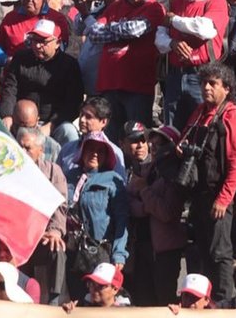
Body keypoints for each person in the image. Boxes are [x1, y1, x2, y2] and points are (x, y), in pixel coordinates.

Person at [180, 61, 236, 307]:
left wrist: (224, 198)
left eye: (213, 84)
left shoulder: (232, 116)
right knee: (200, 252)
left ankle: (222, 304)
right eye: (203, 83)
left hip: (218, 197)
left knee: (220, 254)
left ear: (227, 88)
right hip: (198, 196)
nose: (206, 88)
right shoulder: (198, 113)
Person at [89, 0, 164, 141]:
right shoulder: (114, 7)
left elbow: (136, 30)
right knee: (110, 140)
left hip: (137, 86)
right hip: (109, 84)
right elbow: (94, 34)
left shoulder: (154, 7)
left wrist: (111, 28)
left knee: (136, 139)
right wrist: (121, 30)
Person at [157, 0, 230, 128]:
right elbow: (159, 38)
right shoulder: (175, 3)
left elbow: (205, 29)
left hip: (203, 76)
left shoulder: (216, 2)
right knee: (172, 129)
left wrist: (175, 21)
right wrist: (172, 44)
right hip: (175, 75)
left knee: (202, 128)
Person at [64, 135, 128, 302]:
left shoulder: (113, 180)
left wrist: (119, 253)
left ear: (107, 157)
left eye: (100, 151)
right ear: (82, 151)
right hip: (71, 252)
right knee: (75, 301)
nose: (94, 154)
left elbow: (122, 220)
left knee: (98, 300)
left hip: (99, 252)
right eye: (91, 149)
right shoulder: (69, 177)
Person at [127, 125, 186, 305]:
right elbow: (131, 201)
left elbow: (166, 212)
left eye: (160, 144)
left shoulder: (176, 176)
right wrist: (147, 207)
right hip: (143, 246)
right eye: (152, 143)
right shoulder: (148, 169)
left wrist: (145, 192)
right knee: (143, 300)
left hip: (165, 251)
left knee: (163, 301)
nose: (153, 148)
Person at [0, 17, 82, 142]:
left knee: (69, 133)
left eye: (44, 41)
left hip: (53, 123)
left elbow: (73, 103)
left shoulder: (69, 65)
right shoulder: (21, 59)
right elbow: (10, 89)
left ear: (58, 43)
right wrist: (7, 115)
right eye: (34, 40)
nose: (38, 45)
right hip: (21, 121)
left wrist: (51, 125)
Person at [16, 124, 67, 304]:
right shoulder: (10, 172)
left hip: (44, 236)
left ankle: (54, 300)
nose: (22, 151)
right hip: (19, 236)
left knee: (57, 247)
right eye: (19, 146)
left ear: (40, 150)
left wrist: (55, 231)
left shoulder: (53, 171)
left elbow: (60, 205)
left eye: (27, 148)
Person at [0, 0, 70, 64]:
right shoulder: (10, 18)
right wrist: (6, 60)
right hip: (14, 73)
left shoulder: (57, 19)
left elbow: (66, 51)